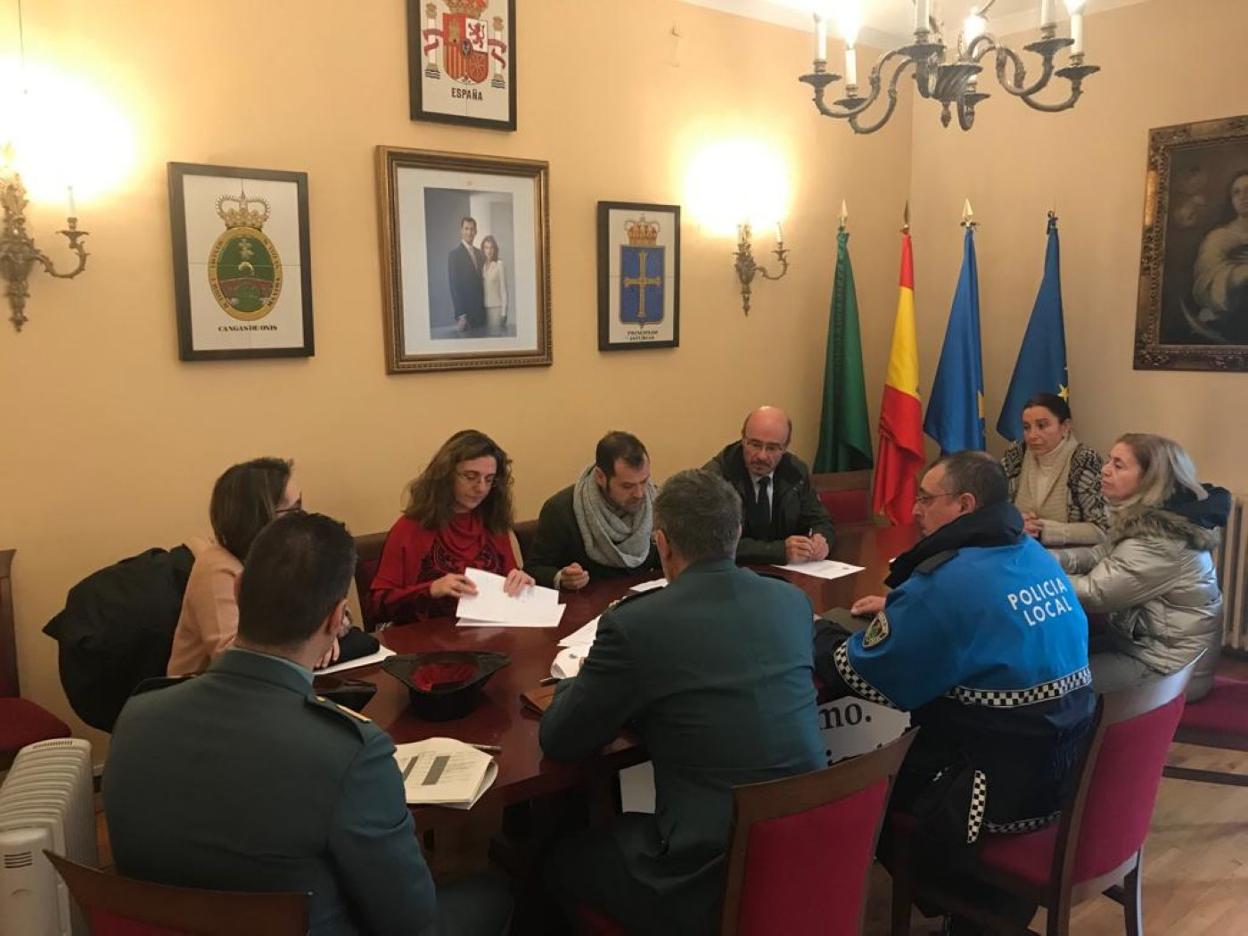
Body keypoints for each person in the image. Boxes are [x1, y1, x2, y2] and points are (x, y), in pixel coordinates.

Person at [106, 512, 513, 936]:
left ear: (239, 590)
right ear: (335, 619)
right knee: (492, 892)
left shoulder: (137, 715)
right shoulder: (351, 754)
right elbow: (412, 923)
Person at [815, 451, 1094, 933]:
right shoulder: (1030, 555)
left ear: (964, 505)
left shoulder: (946, 581)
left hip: (992, 791)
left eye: (926, 499)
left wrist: (817, 634)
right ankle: (990, 910)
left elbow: (866, 673)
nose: (915, 511)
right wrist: (909, 612)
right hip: (1063, 773)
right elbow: (986, 614)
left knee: (866, 792)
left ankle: (963, 907)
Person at [541, 469, 825, 934]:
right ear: (736, 534)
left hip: (706, 873)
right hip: (803, 847)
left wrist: (575, 680)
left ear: (662, 543)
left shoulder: (636, 626)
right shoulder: (790, 603)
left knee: (559, 858)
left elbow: (561, 740)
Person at [1054, 433, 1230, 701]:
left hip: (1168, 669)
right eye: (1109, 460)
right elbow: (1099, 554)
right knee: (1054, 652)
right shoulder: (1151, 518)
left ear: (1151, 478)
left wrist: (1036, 579)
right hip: (1139, 645)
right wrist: (1042, 559)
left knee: (1051, 683)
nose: (1105, 469)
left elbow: (1096, 593)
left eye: (1118, 465)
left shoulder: (1161, 539)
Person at [167, 457, 346, 675]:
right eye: (295, 510)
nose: (303, 520)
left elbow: (333, 611)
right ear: (259, 516)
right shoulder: (216, 568)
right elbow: (236, 661)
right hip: (207, 700)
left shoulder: (282, 560)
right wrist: (313, 641)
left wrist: (327, 633)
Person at [368, 430, 533, 624]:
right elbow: (376, 607)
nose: (481, 488)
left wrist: (521, 582)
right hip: (428, 640)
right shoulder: (410, 528)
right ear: (446, 475)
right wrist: (431, 589)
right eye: (471, 477)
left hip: (488, 634)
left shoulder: (493, 522)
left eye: (489, 480)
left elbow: (508, 583)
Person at [526, 431, 660, 590]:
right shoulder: (560, 510)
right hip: (589, 607)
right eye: (627, 486)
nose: (640, 494)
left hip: (644, 601)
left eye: (644, 481)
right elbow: (534, 569)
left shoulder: (657, 501)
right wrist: (561, 578)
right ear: (600, 477)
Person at [703, 405, 835, 564]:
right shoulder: (715, 477)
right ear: (743, 440)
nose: (762, 456)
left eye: (772, 448)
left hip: (788, 574)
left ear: (785, 448)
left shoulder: (796, 472)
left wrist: (822, 539)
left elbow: (820, 519)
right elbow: (712, 541)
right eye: (754, 445)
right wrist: (778, 551)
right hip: (734, 573)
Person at [999, 393, 1107, 546]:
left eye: (1042, 426)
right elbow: (995, 507)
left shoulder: (1084, 459)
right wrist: (1014, 520)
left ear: (1065, 427)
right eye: (1026, 427)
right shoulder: (1017, 453)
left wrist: (1045, 530)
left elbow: (1101, 530)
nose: (1032, 435)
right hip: (1018, 548)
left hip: (1065, 557)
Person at [1191, 169, 1248, 341]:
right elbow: (1204, 286)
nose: (1243, 197)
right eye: (1236, 192)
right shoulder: (1218, 237)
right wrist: (1242, 273)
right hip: (1229, 321)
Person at [449, 216, 486, 335]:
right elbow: (454, 286)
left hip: (482, 312)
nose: (469, 232)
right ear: (461, 231)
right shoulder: (454, 255)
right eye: (466, 229)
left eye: (472, 229)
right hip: (466, 315)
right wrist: (461, 315)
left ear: (476, 232)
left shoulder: (480, 253)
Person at [481, 234, 508, 337]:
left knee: (495, 337)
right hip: (484, 308)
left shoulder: (499, 264)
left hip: (496, 308)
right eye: (486, 247)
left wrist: (504, 312)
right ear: (483, 249)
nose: (489, 250)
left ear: (495, 249)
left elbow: (504, 290)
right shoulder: (483, 266)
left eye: (491, 247)